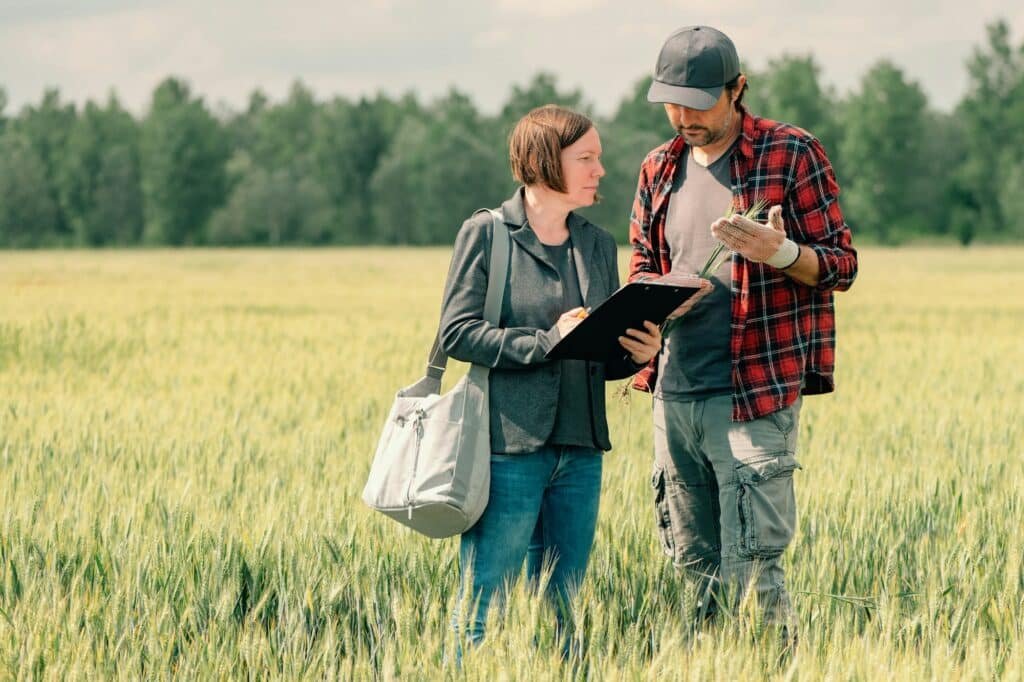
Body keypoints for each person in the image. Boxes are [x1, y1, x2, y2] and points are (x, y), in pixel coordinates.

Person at [628, 26, 858, 639]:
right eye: (672, 102)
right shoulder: (658, 168)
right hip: (674, 393)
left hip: (754, 393)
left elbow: (841, 265)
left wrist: (782, 253)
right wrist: (660, 305)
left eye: (700, 102)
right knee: (693, 569)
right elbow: (642, 269)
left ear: (738, 89)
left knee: (756, 570)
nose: (684, 116)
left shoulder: (791, 154)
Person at [439, 104, 662, 649]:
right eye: (585, 158)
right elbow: (458, 332)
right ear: (543, 162)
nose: (599, 171)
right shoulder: (487, 233)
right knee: (481, 608)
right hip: (508, 449)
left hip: (581, 448)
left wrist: (639, 353)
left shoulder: (595, 242)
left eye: (599, 159)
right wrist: (545, 341)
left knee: (566, 612)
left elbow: (597, 352)